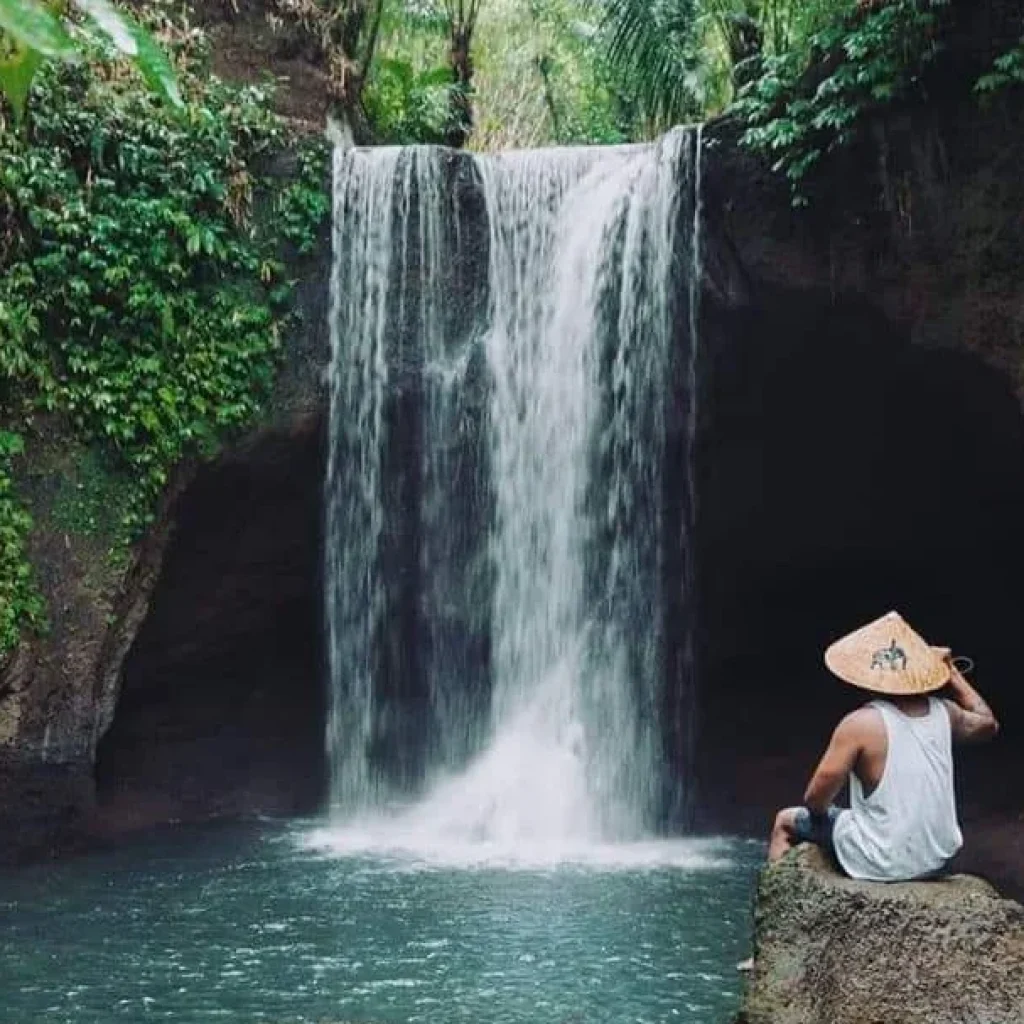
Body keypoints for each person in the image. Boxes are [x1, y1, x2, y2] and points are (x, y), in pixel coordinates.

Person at [767, 610, 1000, 881]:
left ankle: (781, 906)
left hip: (881, 860)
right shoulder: (945, 713)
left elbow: (815, 800)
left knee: (785, 821)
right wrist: (952, 673)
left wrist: (831, 821)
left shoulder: (860, 723)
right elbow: (988, 723)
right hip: (937, 858)